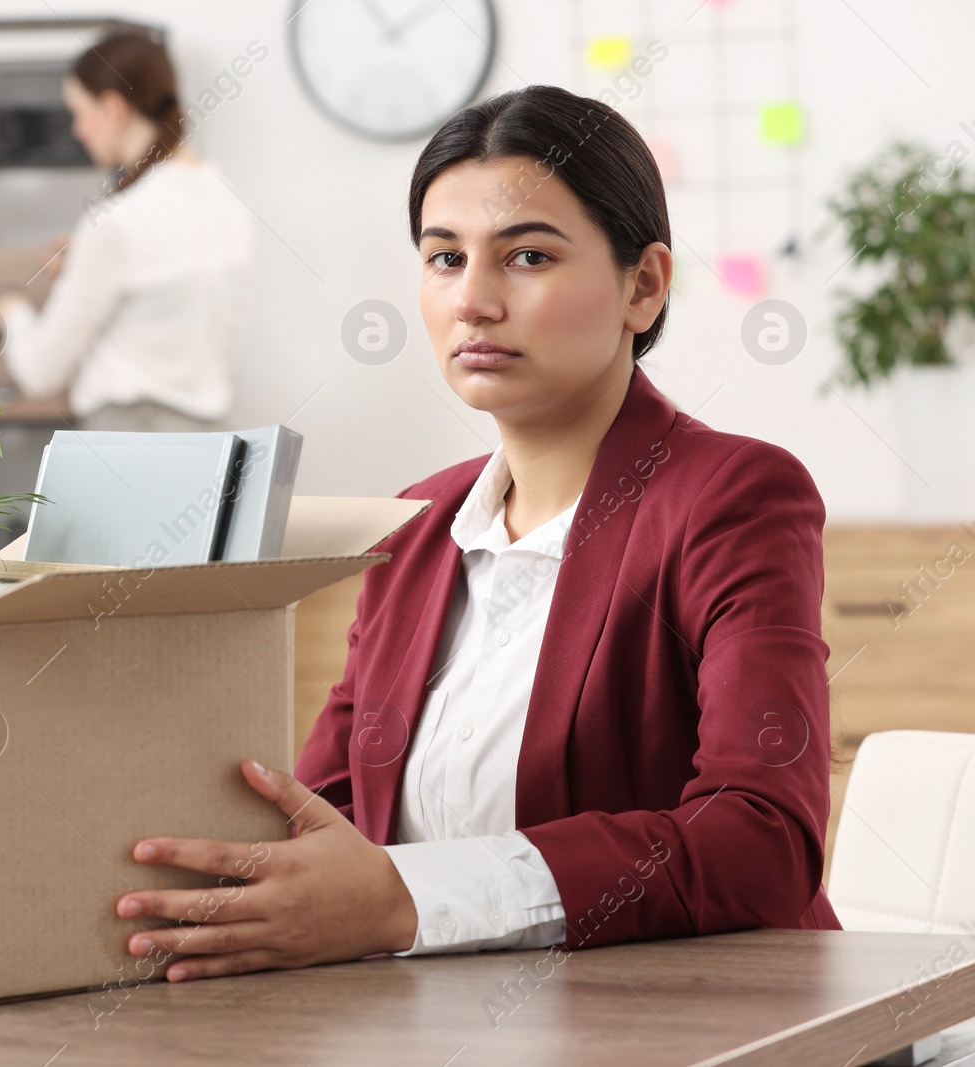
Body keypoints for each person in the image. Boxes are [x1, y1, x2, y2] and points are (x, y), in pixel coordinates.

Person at [111, 84, 840, 981]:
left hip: (696, 1024)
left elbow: (763, 839)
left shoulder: (732, 496)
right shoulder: (418, 525)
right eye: (445, 258)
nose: (474, 301)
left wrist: (403, 898)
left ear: (643, 286)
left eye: (527, 256)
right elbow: (326, 816)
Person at [0, 31, 254, 432]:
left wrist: (12, 311)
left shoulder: (115, 223)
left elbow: (40, 373)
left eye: (79, 113)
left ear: (113, 107)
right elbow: (172, 277)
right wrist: (88, 258)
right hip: (215, 439)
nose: (78, 131)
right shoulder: (228, 202)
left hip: (131, 441)